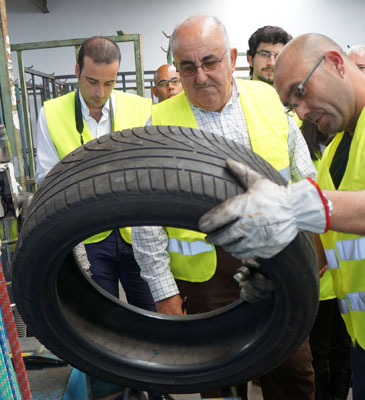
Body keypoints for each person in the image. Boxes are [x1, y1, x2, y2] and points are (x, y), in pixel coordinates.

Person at [132, 15, 317, 400]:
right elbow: (145, 220)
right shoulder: (160, 124)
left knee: (292, 374)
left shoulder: (268, 101)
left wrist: (313, 248)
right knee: (218, 382)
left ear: (233, 58)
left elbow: (305, 177)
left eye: (211, 61)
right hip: (205, 283)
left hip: (277, 264)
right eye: (187, 66)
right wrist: (164, 292)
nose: (200, 76)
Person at [198, 32, 365, 400]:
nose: (301, 112)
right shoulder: (338, 147)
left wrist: (301, 204)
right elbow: (332, 236)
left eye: (300, 92)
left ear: (337, 64)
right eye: (292, 104)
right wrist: (278, 273)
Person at [35, 36, 156, 312]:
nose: (100, 92)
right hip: (87, 237)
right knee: (100, 321)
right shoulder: (51, 113)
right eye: (92, 81)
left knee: (152, 314)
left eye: (109, 83)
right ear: (77, 71)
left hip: (138, 233)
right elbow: (46, 180)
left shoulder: (141, 107)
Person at [301, 121, 351, 400]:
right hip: (321, 273)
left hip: (342, 273)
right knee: (319, 348)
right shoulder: (312, 158)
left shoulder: (343, 149)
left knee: (341, 346)